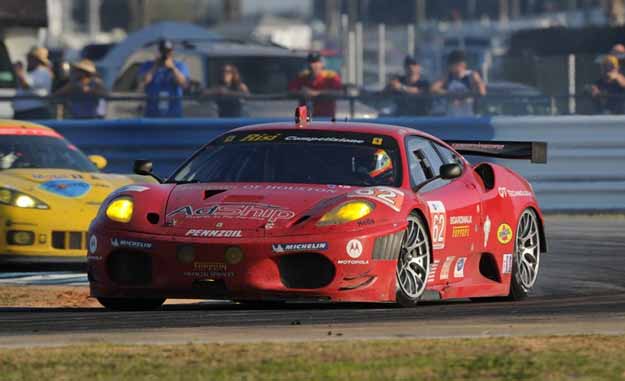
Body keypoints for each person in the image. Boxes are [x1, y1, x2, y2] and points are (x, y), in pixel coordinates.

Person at [138, 39, 189, 118]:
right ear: (158, 52)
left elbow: (184, 84)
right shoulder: (147, 65)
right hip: (152, 114)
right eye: (163, 52)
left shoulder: (179, 66)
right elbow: (143, 82)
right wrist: (155, 67)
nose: (165, 55)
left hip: (174, 115)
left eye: (168, 52)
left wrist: (173, 69)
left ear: (172, 52)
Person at [431, 50, 486, 116]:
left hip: (469, 116)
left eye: (451, 64)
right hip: (451, 117)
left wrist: (463, 95)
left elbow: (482, 91)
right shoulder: (448, 76)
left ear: (461, 64)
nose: (449, 67)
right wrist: (451, 94)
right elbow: (433, 89)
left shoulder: (471, 75)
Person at [288, 52, 342, 118]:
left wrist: (317, 93)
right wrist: (302, 92)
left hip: (325, 117)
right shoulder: (302, 76)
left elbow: (339, 93)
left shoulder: (331, 76)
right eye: (310, 62)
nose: (312, 65)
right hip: (303, 117)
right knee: (301, 126)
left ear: (322, 64)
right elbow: (291, 91)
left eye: (316, 62)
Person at [12, 47, 54, 120]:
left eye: (30, 57)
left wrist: (18, 71)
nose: (27, 60)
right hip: (24, 113)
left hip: (34, 113)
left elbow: (26, 86)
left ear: (37, 60)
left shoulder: (43, 72)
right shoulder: (30, 72)